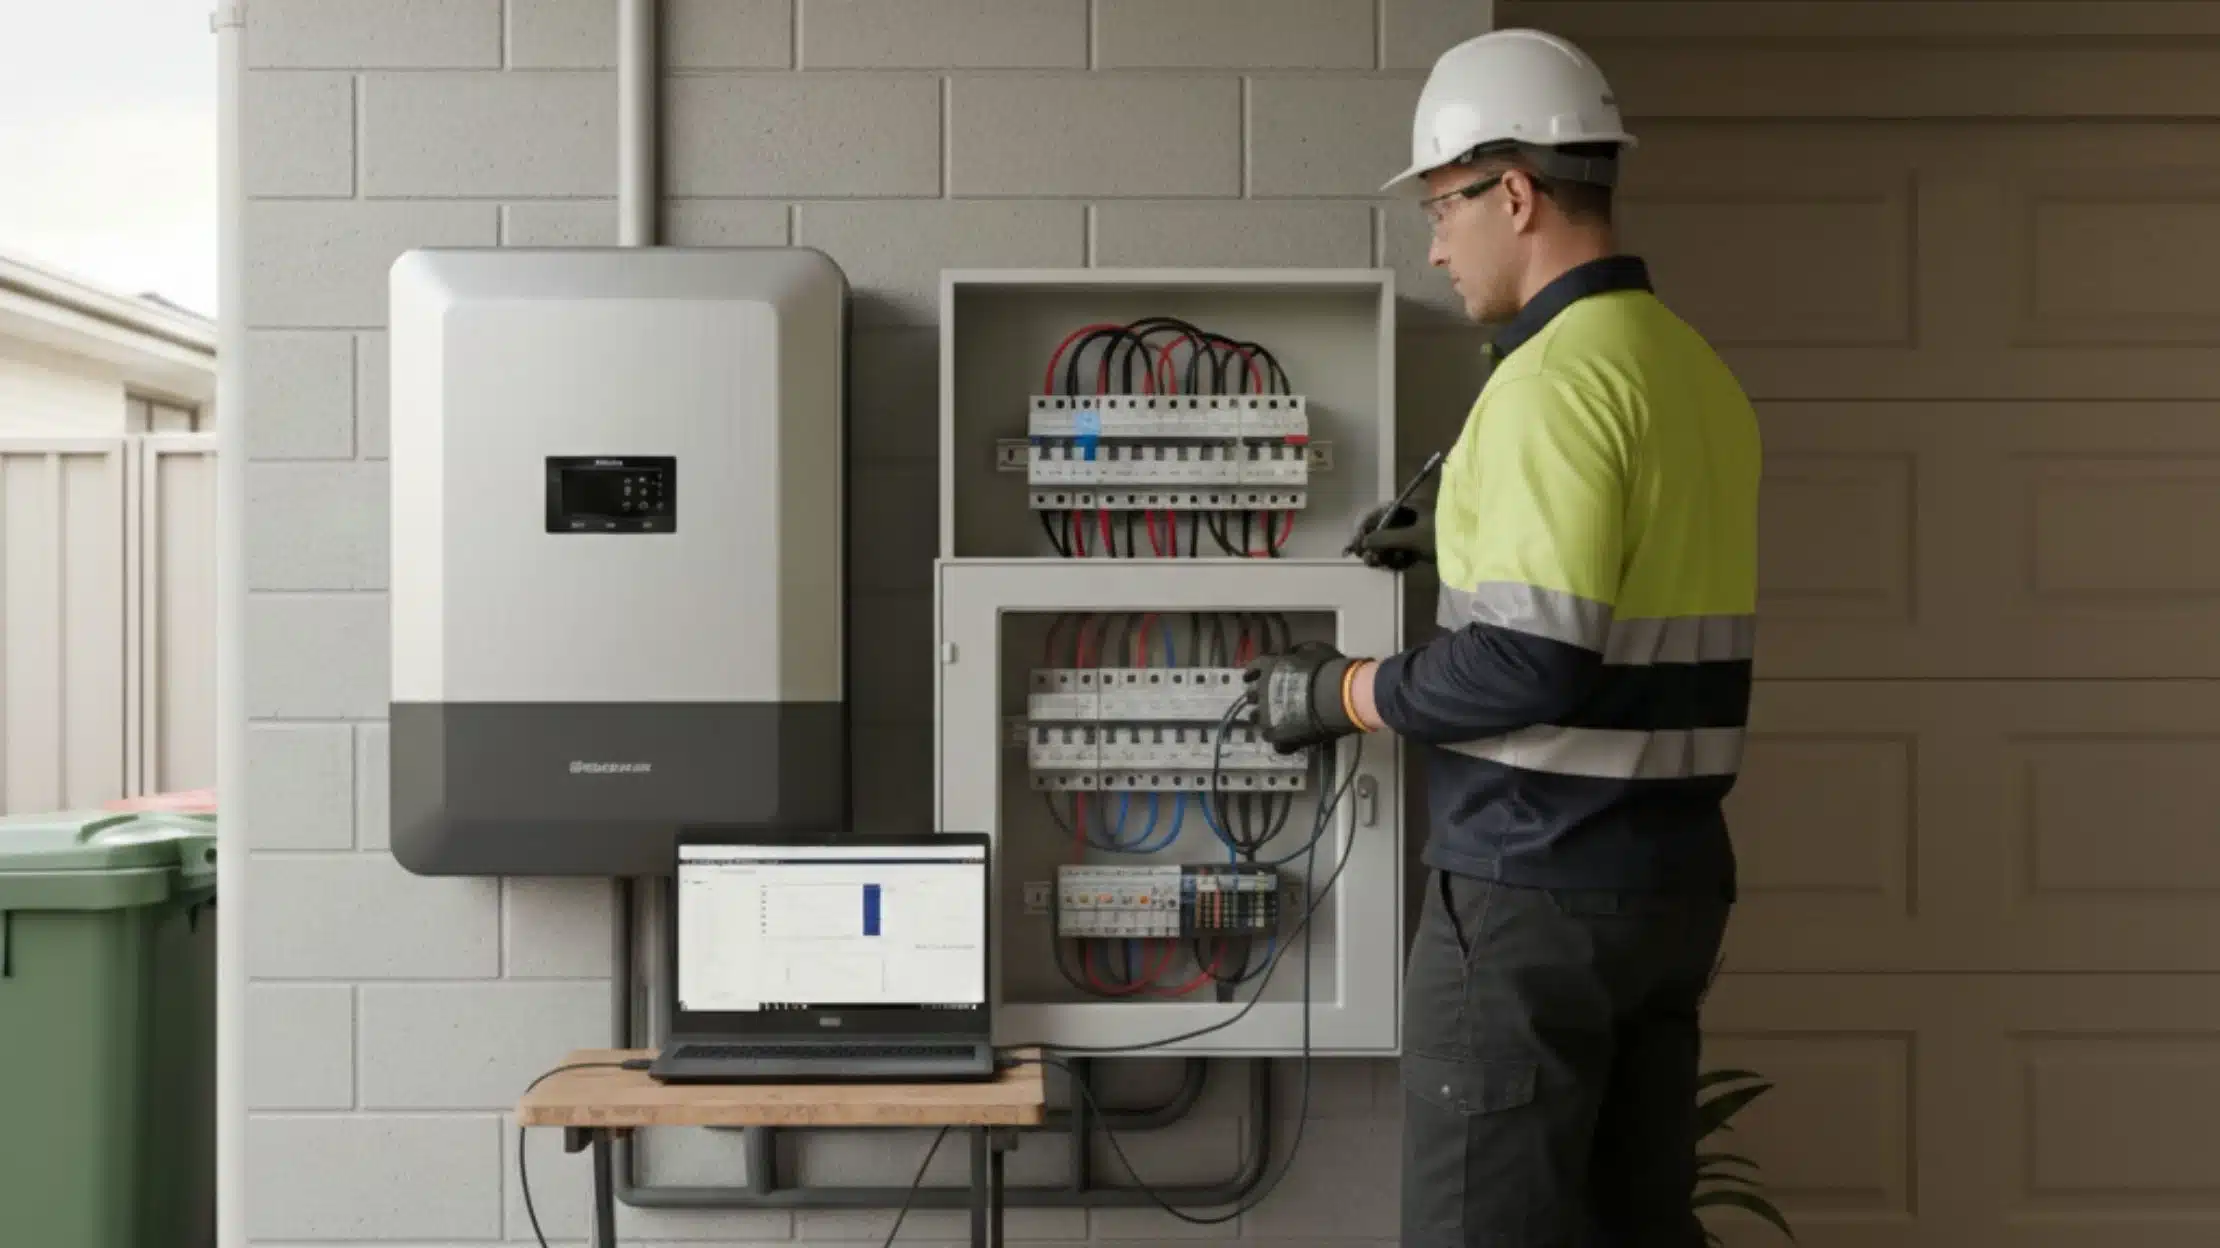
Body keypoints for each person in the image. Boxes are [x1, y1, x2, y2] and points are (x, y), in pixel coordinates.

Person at [1242, 28, 1762, 1248]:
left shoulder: (1547, 385)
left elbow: (1529, 662)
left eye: (1442, 206)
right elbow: (1629, 609)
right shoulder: (1689, 374)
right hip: (1669, 882)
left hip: (1534, 895)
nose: (1433, 244)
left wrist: (1339, 691)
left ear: (1514, 193)